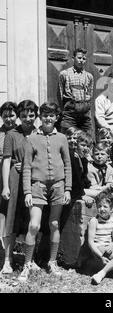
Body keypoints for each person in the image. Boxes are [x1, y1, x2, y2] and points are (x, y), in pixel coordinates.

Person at [18, 102, 72, 282]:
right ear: (40, 117)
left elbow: (67, 165)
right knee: (34, 225)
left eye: (52, 115)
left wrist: (68, 188)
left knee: (54, 224)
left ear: (57, 117)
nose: (48, 118)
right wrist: (27, 191)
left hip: (58, 185)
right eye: (45, 115)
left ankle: (52, 261)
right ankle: (27, 264)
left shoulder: (62, 138)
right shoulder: (31, 138)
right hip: (37, 186)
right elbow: (26, 167)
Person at [0, 100, 38, 275]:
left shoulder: (39, 133)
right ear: (19, 116)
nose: (27, 119)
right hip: (15, 179)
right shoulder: (12, 134)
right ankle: (7, 260)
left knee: (32, 219)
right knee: (11, 218)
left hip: (33, 180)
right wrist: (5, 186)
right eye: (24, 115)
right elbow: (7, 160)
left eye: (31, 115)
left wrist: (28, 165)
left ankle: (30, 259)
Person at [58, 48, 94, 134]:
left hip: (84, 113)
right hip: (70, 112)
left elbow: (90, 94)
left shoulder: (89, 76)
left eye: (84, 59)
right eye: (79, 58)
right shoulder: (64, 74)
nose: (81, 60)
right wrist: (64, 110)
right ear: (73, 58)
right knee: (68, 136)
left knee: (87, 137)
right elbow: (60, 94)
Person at [0, 102, 17, 245]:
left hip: (14, 176)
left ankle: (11, 240)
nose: (8, 119)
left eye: (11, 115)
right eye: (5, 116)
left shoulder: (21, 131)